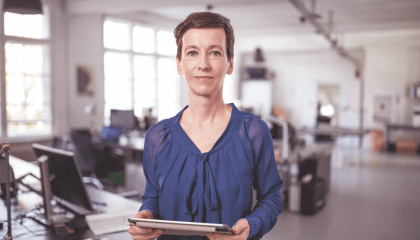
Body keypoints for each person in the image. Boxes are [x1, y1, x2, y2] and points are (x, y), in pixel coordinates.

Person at [128, 12, 284, 240]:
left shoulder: (253, 133)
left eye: (214, 52)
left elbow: (271, 197)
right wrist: (147, 215)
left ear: (229, 63)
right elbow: (153, 196)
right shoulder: (157, 137)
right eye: (192, 52)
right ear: (179, 63)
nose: (203, 64)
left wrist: (253, 224)